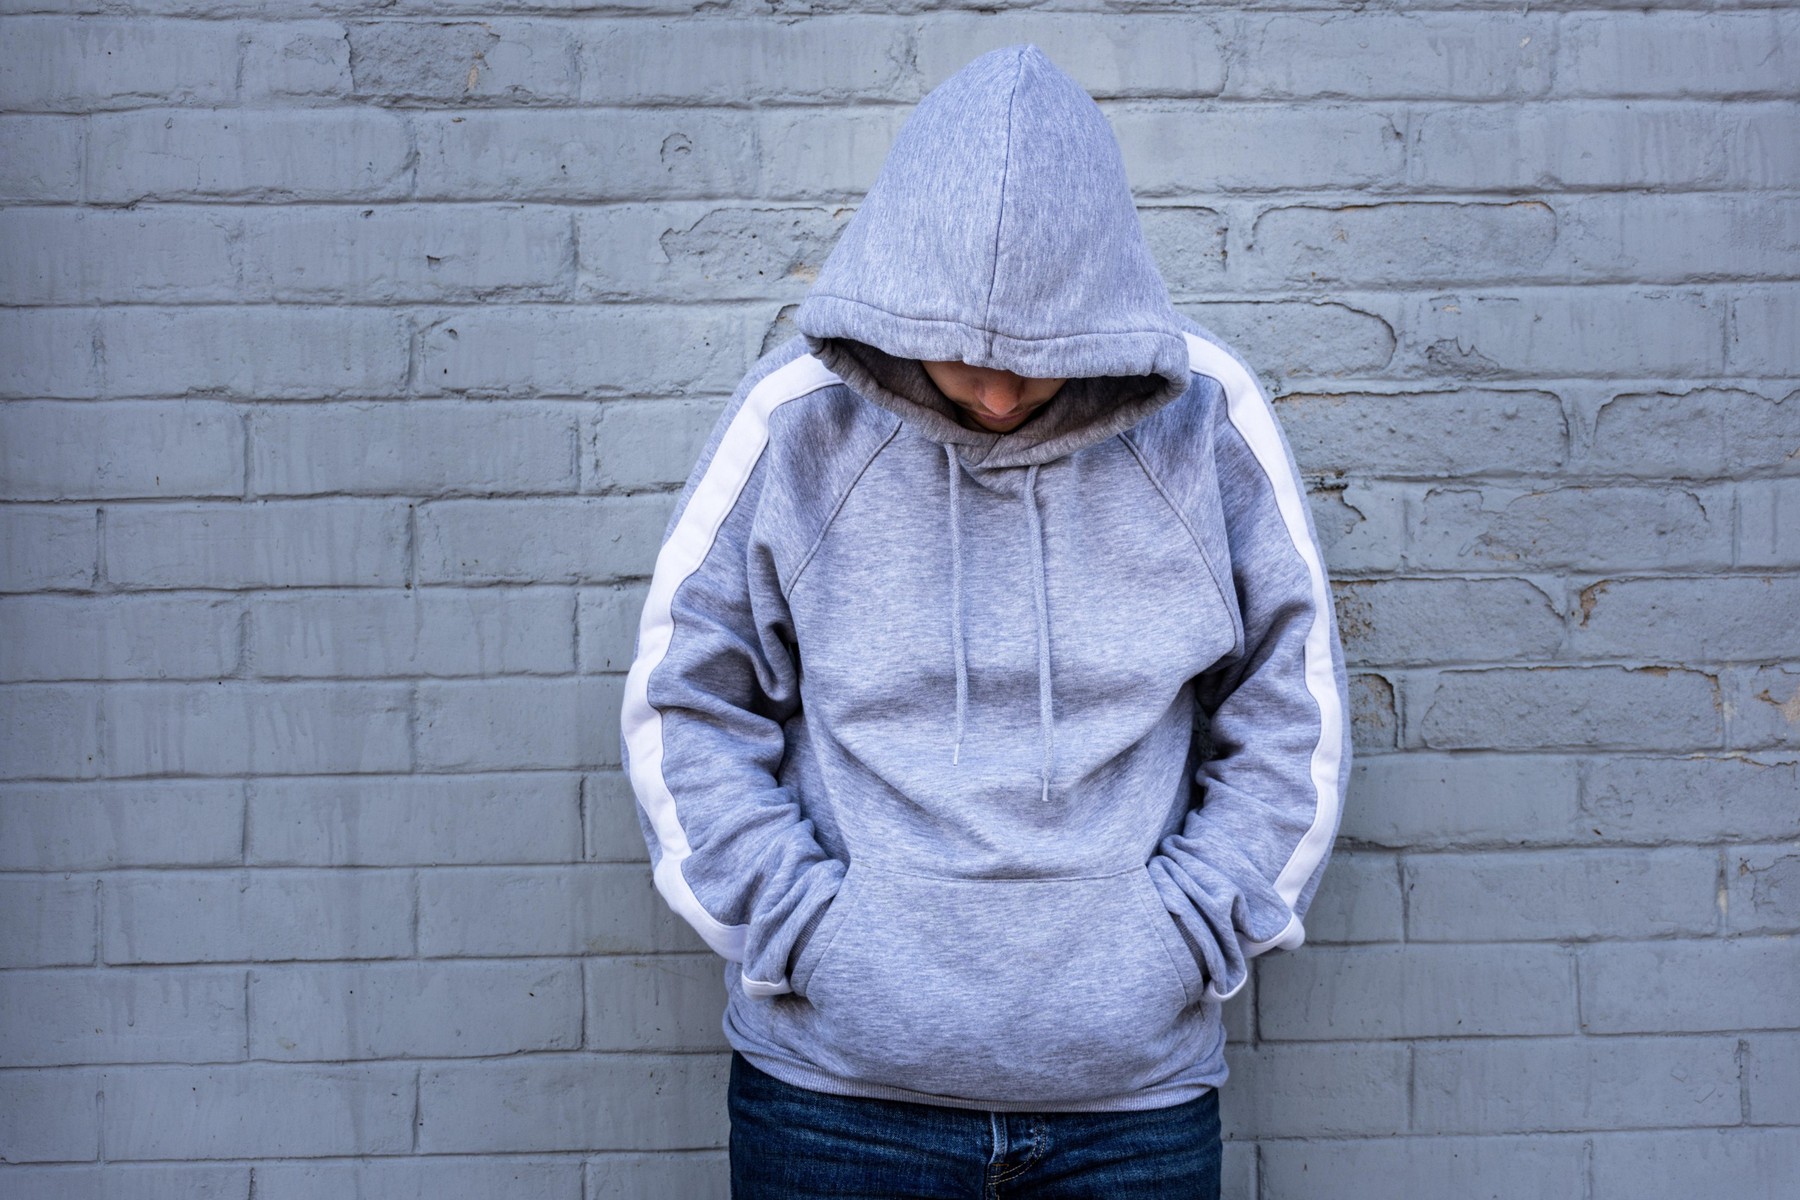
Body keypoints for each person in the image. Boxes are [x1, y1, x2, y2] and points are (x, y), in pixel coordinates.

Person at [621, 43, 1351, 1199]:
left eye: (1042, 355)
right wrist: (810, 932)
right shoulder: (798, 429)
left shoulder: (1204, 423)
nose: (1002, 392)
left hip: (1130, 1114)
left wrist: (1187, 933)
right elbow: (685, 703)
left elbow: (1290, 710)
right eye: (965, 352)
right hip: (835, 1108)